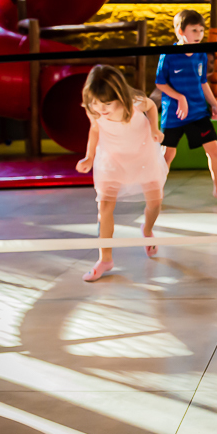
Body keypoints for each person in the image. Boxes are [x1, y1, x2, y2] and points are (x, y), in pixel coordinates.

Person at [76, 65, 169, 282]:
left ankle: (147, 230)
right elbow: (95, 129)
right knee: (104, 207)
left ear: (120, 96)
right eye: (96, 103)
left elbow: (152, 108)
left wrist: (155, 129)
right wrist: (89, 156)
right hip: (112, 158)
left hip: (143, 154)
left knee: (155, 202)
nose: (101, 109)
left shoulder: (135, 101)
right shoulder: (94, 108)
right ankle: (105, 258)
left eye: (107, 104)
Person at [155, 9, 217, 205]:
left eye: (201, 30)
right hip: (174, 114)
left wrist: (214, 104)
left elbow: (202, 82)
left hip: (198, 112)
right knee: (167, 155)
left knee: (214, 150)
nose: (199, 35)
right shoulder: (168, 55)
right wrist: (179, 97)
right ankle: (155, 192)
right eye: (194, 30)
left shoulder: (200, 54)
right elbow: (160, 83)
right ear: (181, 32)